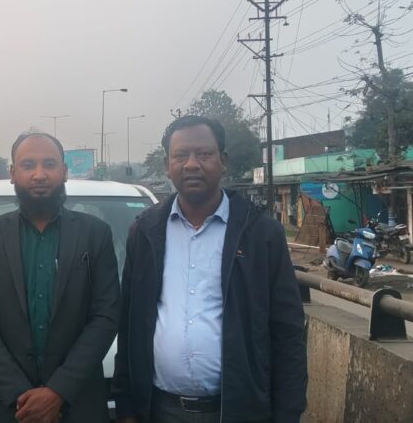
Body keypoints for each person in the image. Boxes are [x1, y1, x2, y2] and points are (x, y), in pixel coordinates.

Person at [112, 115, 307, 423]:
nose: (192, 164)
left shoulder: (260, 234)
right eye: (180, 155)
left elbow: (288, 330)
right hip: (160, 410)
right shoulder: (145, 233)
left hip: (237, 411)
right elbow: (130, 323)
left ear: (223, 160)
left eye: (204, 154)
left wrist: (287, 413)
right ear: (167, 165)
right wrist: (126, 407)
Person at [0, 133, 120, 422]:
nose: (39, 174)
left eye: (49, 164)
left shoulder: (95, 234)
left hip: (78, 404)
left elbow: (106, 316)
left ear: (64, 171)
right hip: (7, 406)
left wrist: (58, 391)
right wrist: (19, 393)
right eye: (28, 165)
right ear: (13, 173)